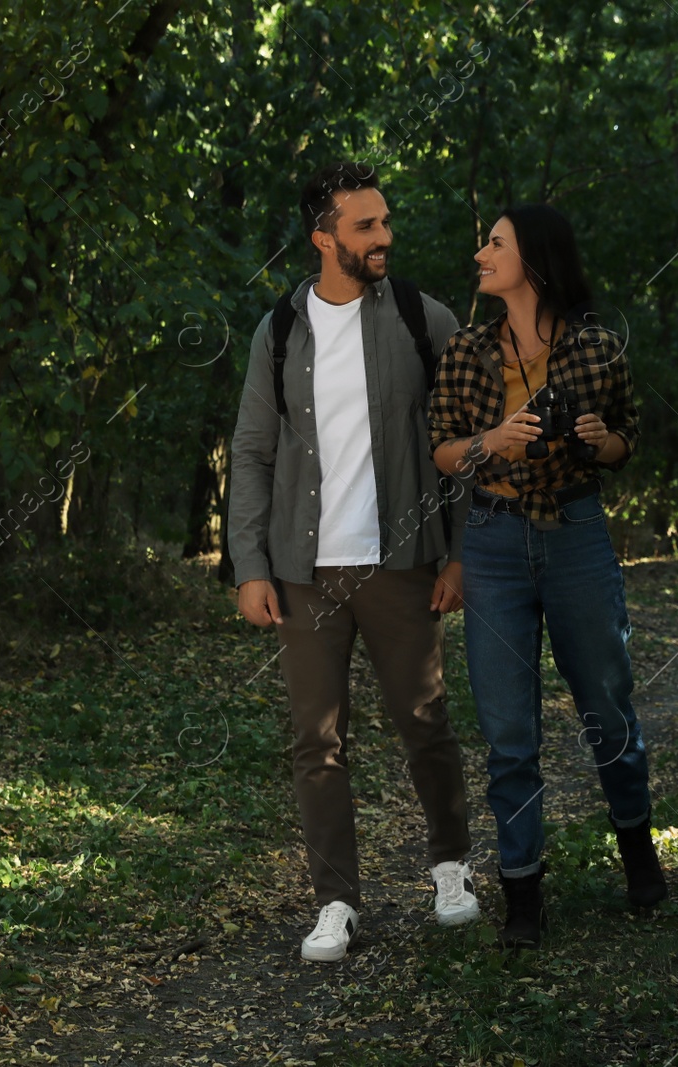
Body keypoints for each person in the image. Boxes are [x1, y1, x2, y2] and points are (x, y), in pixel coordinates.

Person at [228, 161, 480, 963]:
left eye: (385, 222)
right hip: (305, 573)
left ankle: (450, 867)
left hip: (403, 561)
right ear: (324, 236)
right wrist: (250, 564)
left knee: (425, 722)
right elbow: (255, 450)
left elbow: (466, 440)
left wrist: (462, 551)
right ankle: (336, 900)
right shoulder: (279, 331)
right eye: (366, 225)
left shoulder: (420, 316)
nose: (384, 237)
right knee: (317, 740)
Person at [429, 203, 667, 949]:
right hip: (495, 541)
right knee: (508, 729)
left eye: (495, 243)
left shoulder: (597, 348)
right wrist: (492, 440)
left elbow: (629, 438)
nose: (481, 253)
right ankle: (523, 892)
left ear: (533, 258)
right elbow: (442, 449)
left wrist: (601, 442)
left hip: (576, 535)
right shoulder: (468, 352)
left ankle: (637, 848)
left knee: (607, 701)